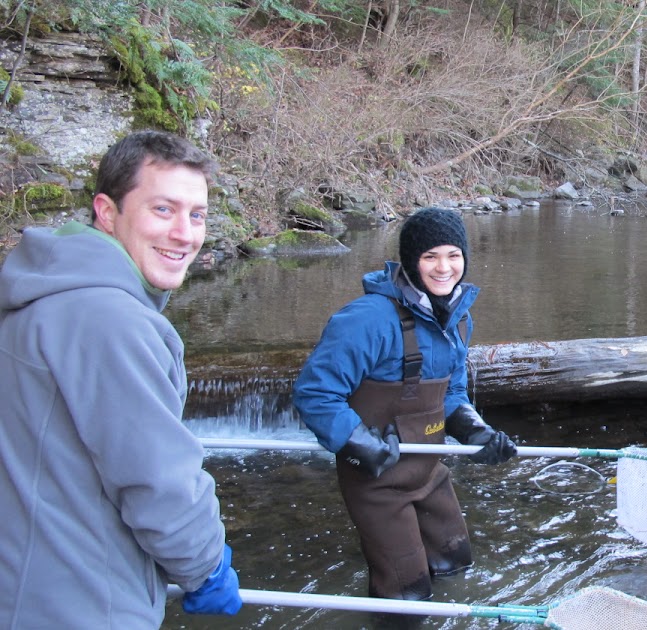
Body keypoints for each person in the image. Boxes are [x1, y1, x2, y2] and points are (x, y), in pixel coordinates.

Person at [0, 130, 242, 627]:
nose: (185, 233)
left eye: (196, 215)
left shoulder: (39, 296)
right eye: (162, 210)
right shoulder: (111, 321)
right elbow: (159, 483)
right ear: (107, 212)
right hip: (84, 604)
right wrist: (206, 567)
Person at [293, 207, 518, 619]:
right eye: (431, 256)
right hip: (377, 480)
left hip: (429, 470)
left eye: (453, 255)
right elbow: (315, 393)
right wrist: (360, 445)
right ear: (412, 261)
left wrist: (476, 431)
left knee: (457, 567)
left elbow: (451, 391)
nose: (444, 267)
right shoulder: (366, 320)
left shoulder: (457, 315)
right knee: (407, 600)